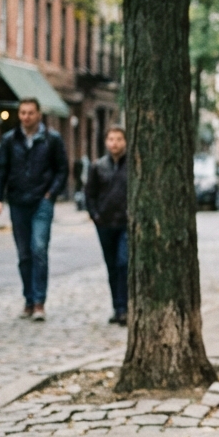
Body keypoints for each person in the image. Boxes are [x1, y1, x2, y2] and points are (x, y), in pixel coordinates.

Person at [0, 97, 68, 322]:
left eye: (30, 113)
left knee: (39, 249)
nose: (26, 117)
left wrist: (51, 193)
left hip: (42, 201)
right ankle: (28, 299)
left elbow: (62, 169)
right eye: (22, 113)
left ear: (38, 115)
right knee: (24, 254)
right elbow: (0, 170)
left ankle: (39, 302)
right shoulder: (9, 140)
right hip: (18, 202)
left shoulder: (52, 139)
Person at [85, 125, 129, 326]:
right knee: (112, 266)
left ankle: (125, 307)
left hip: (125, 223)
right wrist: (95, 215)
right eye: (111, 139)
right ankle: (117, 307)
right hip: (105, 223)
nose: (115, 143)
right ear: (106, 142)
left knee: (123, 263)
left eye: (119, 139)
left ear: (125, 142)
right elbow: (90, 194)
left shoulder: (132, 165)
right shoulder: (98, 166)